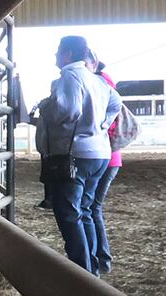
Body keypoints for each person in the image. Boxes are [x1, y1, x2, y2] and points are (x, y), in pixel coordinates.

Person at [39, 36, 121, 274]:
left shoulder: (70, 75)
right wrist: (103, 125)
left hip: (75, 154)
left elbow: (67, 109)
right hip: (100, 154)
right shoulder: (97, 80)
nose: (55, 56)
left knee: (69, 214)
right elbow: (116, 102)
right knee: (84, 210)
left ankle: (81, 271)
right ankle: (92, 267)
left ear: (68, 54)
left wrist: (46, 107)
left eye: (58, 51)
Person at [89, 55, 122, 273]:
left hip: (105, 157)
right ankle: (101, 258)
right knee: (93, 207)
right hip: (111, 159)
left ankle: (102, 258)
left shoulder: (101, 87)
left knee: (93, 208)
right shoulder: (106, 85)